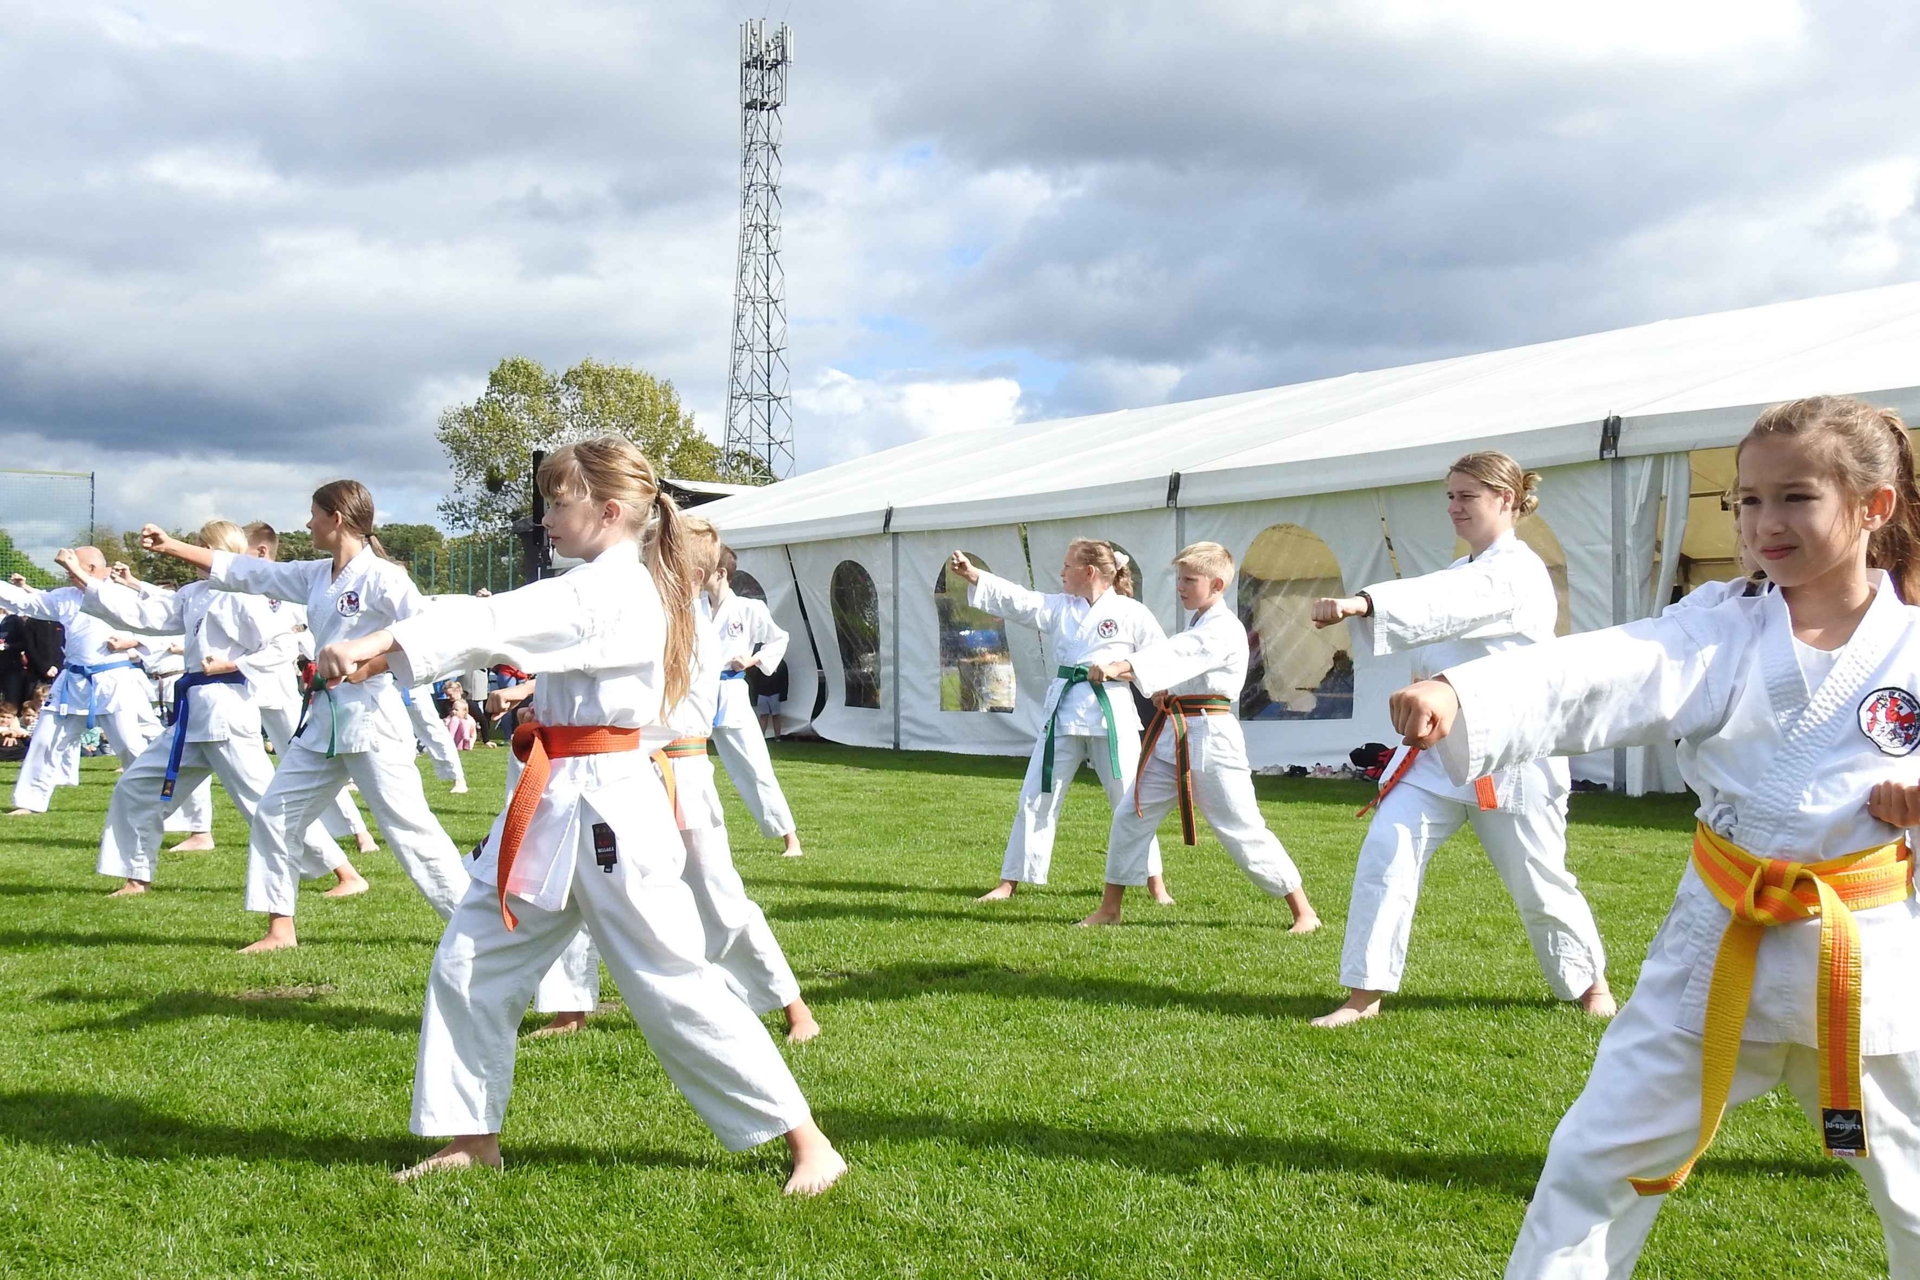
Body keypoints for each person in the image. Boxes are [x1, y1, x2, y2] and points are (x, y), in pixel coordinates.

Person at [1392, 397, 1920, 1275]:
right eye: (1746, 501)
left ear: (1874, 507)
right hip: (1719, 949)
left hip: (1867, 961)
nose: (1763, 524)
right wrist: (1467, 692)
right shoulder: (1722, 624)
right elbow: (1611, 666)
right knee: (1595, 1163)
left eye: (1795, 498)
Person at [315, 437, 845, 1194]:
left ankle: (809, 1140)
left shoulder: (614, 588)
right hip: (552, 802)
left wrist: (386, 637)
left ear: (609, 510)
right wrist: (382, 655)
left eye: (559, 502)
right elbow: (512, 629)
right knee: (470, 963)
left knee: (670, 983)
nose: (548, 517)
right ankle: (473, 1139)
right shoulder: (600, 585)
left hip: (606, 807)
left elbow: (500, 617)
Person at [1309, 452, 1614, 1029]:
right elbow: (1437, 609)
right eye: (1449, 496)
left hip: (1510, 759)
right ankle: (1364, 992)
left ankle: (1589, 982)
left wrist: (1365, 602)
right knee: (1386, 852)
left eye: (1466, 496)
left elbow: (1448, 606)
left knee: (1539, 883)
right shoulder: (1459, 573)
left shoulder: (1517, 572)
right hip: (1435, 757)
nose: (1454, 507)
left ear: (1506, 499)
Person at [139, 482, 469, 952]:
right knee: (274, 816)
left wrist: (370, 664)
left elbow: (429, 635)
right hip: (323, 722)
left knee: (411, 831)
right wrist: (173, 547)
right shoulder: (316, 574)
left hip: (373, 720)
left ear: (337, 519)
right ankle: (280, 929)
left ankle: (478, 932)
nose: (308, 523)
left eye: (314, 515)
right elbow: (247, 572)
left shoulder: (383, 577)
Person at [68, 525, 368, 899]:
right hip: (193, 713)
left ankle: (346, 873)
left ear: (217, 549)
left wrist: (231, 665)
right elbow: (144, 615)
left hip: (226, 709)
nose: (194, 552)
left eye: (200, 546)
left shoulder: (243, 594)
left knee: (265, 802)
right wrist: (85, 581)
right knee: (136, 787)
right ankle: (136, 875)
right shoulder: (192, 593)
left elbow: (281, 645)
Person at [1080, 542, 1320, 931]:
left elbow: (1180, 654)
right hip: (1174, 733)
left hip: (1211, 738)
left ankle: (1303, 911)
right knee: (1131, 814)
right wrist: (1166, 692)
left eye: (1190, 580)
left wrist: (1121, 666)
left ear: (1218, 583)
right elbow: (1186, 666)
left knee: (1241, 826)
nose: (1181, 587)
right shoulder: (1201, 622)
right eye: (1179, 579)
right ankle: (1110, 909)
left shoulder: (1222, 628)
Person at [949, 541, 1174, 903]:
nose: (1061, 572)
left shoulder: (1131, 612)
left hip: (1111, 712)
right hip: (1065, 710)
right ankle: (1011, 880)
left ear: (1088, 572)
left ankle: (1154, 882)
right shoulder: (1060, 607)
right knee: (1036, 795)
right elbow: (1020, 601)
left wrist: (1158, 689)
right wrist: (975, 576)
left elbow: (1159, 655)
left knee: (1130, 799)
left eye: (1067, 566)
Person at [240, 523, 379, 858]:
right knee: (282, 777)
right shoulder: (249, 590)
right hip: (244, 691)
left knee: (319, 760)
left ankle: (360, 834)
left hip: (282, 687)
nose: (306, 524)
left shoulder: (284, 598)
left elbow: (296, 641)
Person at [0, 548, 159, 816]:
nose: (68, 574)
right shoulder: (65, 597)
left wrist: (132, 642)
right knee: (45, 739)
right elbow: (24, 602)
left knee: (130, 744)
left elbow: (159, 628)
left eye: (72, 568)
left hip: (113, 678)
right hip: (72, 679)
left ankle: (153, 799)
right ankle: (30, 801)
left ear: (94, 568)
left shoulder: (120, 593)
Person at [706, 547, 804, 856]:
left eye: (703, 567)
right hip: (695, 694)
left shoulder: (749, 609)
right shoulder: (691, 608)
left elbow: (779, 638)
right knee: (681, 763)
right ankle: (691, 839)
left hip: (731, 693)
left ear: (721, 573)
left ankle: (790, 838)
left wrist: (751, 660)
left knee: (755, 766)